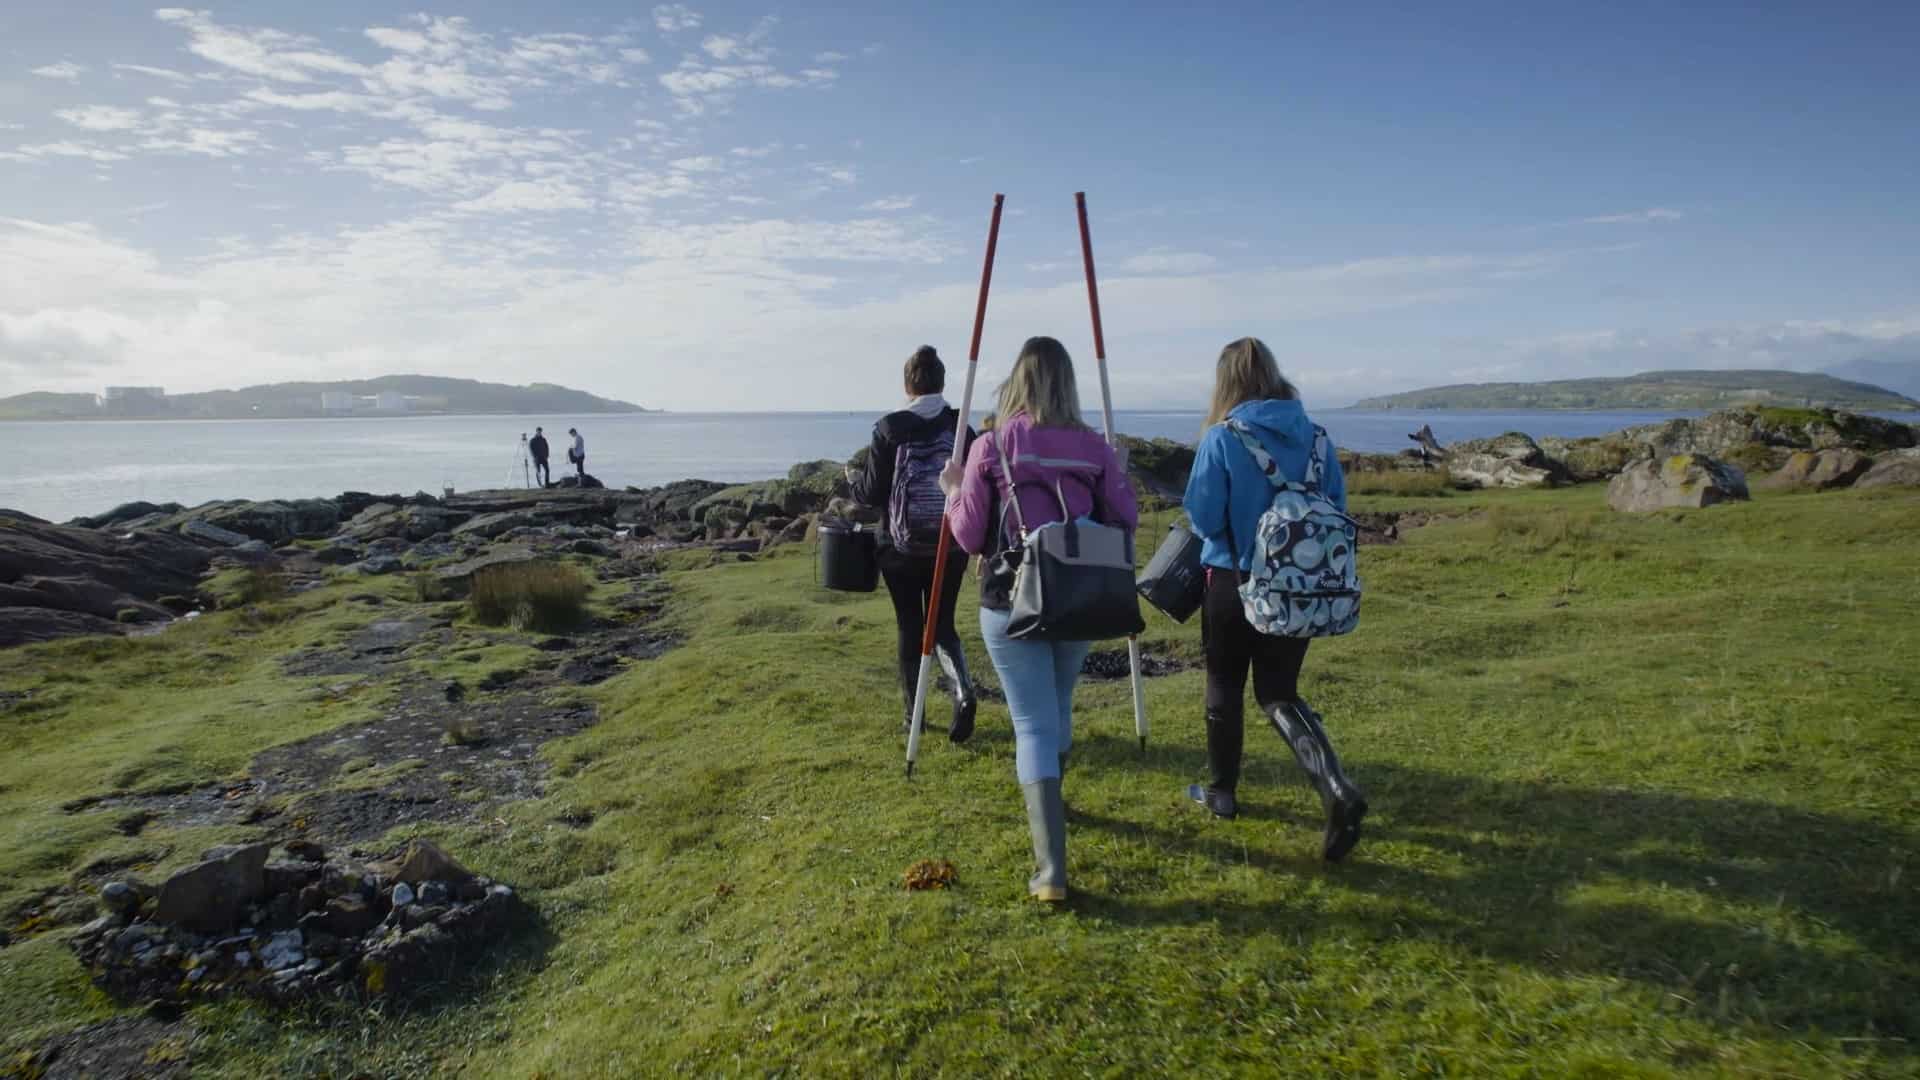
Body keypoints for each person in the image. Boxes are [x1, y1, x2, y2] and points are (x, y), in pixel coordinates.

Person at [942, 335, 1137, 903]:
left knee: (1031, 722)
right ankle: (1054, 801)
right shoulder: (1094, 448)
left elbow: (970, 534)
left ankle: (1051, 868)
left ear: (1017, 381)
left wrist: (954, 492)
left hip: (1010, 599)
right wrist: (1116, 473)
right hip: (1079, 594)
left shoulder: (991, 446)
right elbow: (1123, 521)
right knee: (1056, 706)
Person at [1181, 337, 1367, 862]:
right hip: (1300, 588)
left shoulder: (1222, 438)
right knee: (1279, 690)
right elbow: (1337, 507)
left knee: (1224, 685)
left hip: (1232, 579)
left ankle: (1221, 792)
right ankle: (1334, 786)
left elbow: (1203, 517)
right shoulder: (1318, 439)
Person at [849, 346, 978, 741]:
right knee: (942, 624)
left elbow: (871, 495)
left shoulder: (889, 428)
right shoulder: (960, 428)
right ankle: (963, 692)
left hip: (899, 548)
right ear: (941, 383)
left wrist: (853, 479)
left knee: (910, 626)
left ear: (908, 386)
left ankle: (914, 716)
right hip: (950, 543)